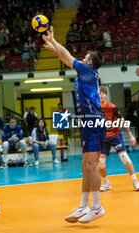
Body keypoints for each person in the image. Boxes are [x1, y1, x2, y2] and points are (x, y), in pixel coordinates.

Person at [43, 26, 106, 223]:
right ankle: (83, 205)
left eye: (86, 56)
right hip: (88, 120)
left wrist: (54, 41)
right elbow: (66, 58)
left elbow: (68, 56)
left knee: (91, 165)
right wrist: (55, 50)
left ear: (90, 62)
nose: (83, 58)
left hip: (94, 119)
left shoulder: (88, 70)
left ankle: (96, 207)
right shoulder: (85, 73)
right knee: (85, 166)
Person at [98, 86, 139, 191]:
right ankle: (106, 183)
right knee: (100, 162)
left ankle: (135, 181)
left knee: (125, 157)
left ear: (106, 95)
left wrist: (130, 135)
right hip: (103, 138)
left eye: (103, 93)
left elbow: (121, 120)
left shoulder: (112, 107)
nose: (101, 95)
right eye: (100, 93)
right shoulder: (95, 108)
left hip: (115, 136)